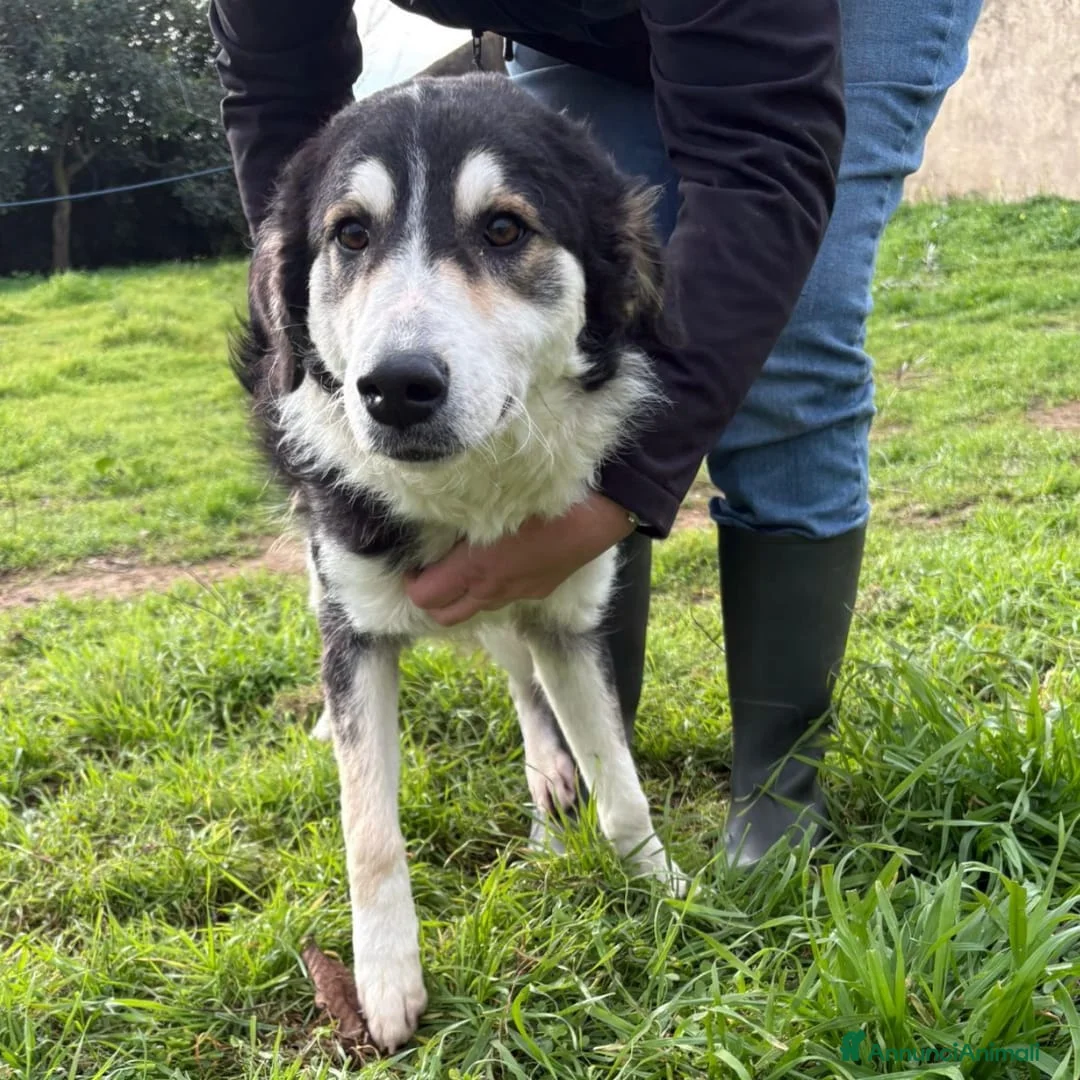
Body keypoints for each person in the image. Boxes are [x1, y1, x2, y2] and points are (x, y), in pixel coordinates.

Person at [210, 0, 983, 867]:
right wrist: (323, 334)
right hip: (576, 17)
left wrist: (613, 499)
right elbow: (280, 99)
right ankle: (589, 757)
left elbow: (763, 164)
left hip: (828, 15)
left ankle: (778, 785)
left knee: (789, 338)